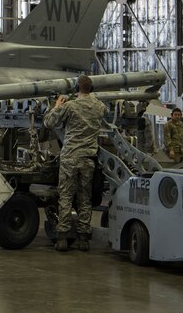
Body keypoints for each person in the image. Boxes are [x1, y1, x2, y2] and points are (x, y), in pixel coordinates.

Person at [44, 75, 106, 252]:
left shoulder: (70, 106)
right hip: (88, 159)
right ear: (92, 89)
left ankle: (62, 238)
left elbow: (49, 122)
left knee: (66, 196)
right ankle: (83, 239)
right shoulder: (100, 107)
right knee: (84, 198)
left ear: (77, 88)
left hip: (70, 157)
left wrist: (57, 106)